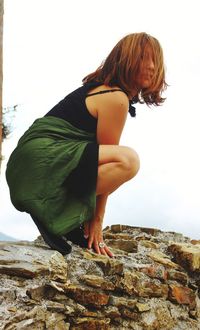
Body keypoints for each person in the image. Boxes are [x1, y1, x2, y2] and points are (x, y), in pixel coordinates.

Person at [6, 32, 167, 258]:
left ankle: (64, 219)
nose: (151, 66)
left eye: (155, 60)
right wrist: (97, 222)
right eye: (143, 58)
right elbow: (110, 160)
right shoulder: (115, 97)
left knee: (120, 159)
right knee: (128, 160)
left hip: (29, 165)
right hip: (40, 160)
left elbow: (94, 165)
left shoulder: (105, 90)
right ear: (126, 60)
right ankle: (58, 209)